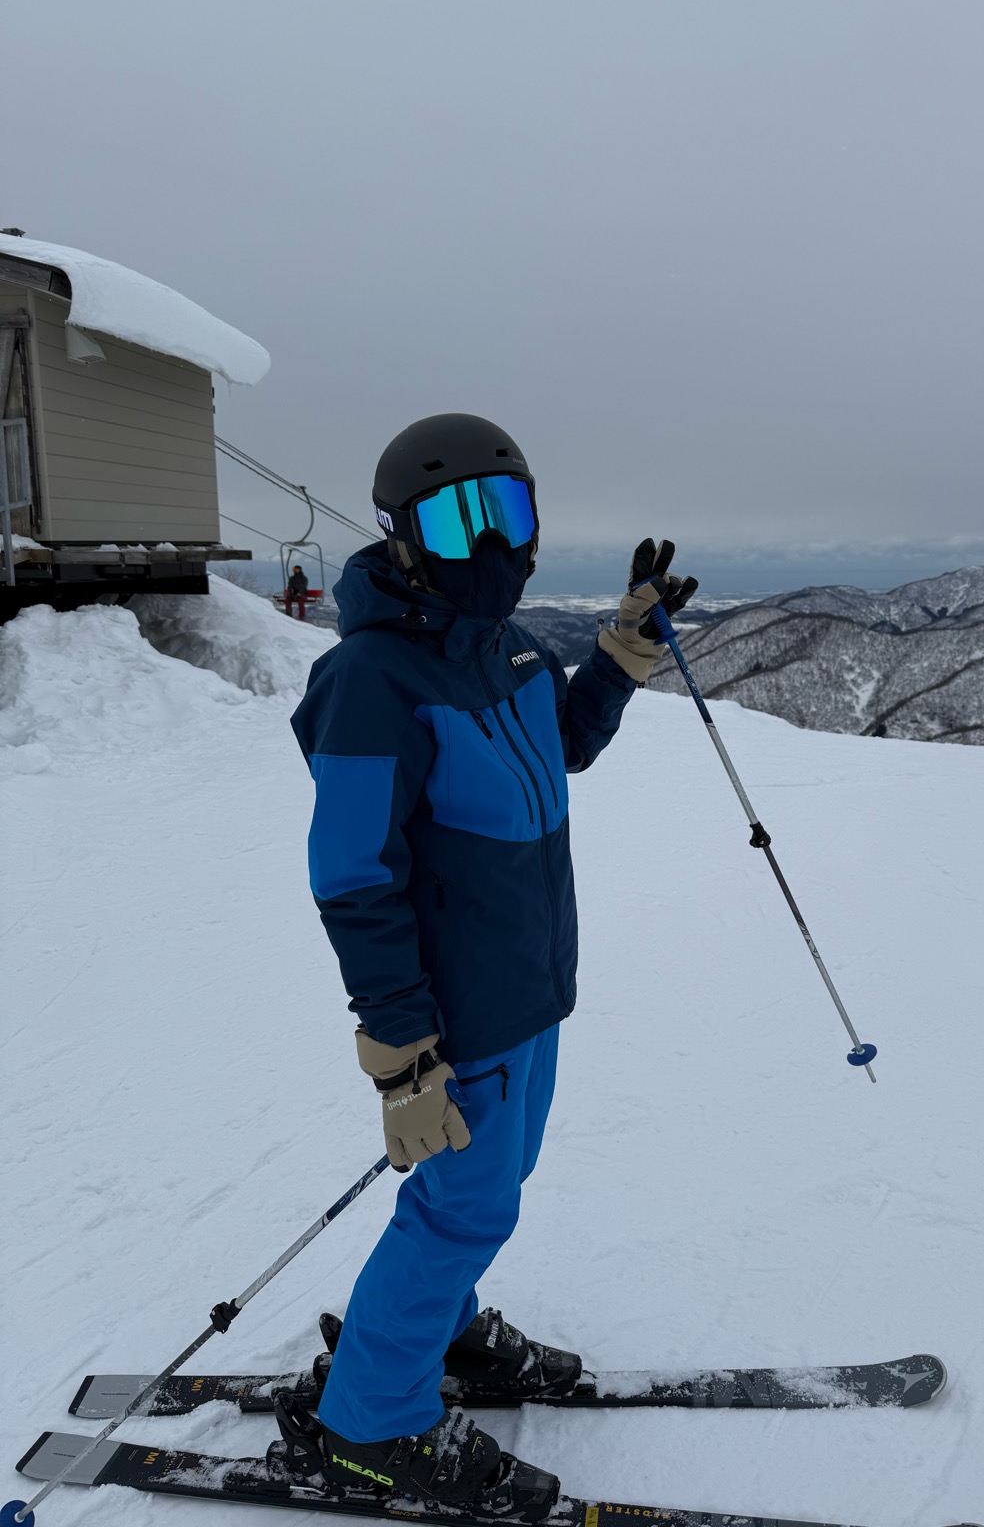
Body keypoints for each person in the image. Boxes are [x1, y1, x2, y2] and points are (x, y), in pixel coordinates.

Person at [290, 413, 696, 1518]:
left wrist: (614, 658)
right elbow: (353, 874)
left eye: (506, 513)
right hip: (457, 1013)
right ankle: (370, 1423)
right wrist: (399, 1044)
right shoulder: (371, 681)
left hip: (529, 989)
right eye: (459, 519)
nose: (491, 545)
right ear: (403, 538)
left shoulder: (509, 647)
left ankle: (443, 1329)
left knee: (489, 1189)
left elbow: (557, 743)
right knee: (463, 1206)